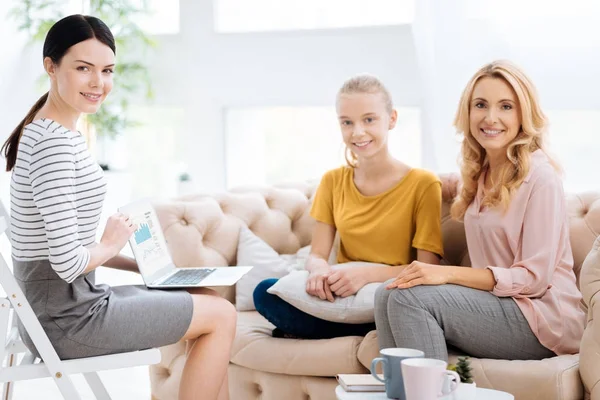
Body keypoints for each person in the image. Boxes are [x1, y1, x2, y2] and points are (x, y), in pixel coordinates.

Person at [1, 15, 235, 400]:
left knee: (210, 299)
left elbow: (67, 245)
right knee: (222, 315)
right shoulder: (53, 145)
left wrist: (144, 265)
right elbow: (67, 262)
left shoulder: (53, 132)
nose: (99, 83)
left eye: (107, 70)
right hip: (69, 321)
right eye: (83, 68)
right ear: (51, 66)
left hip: (64, 309)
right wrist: (112, 242)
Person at [374, 60, 586, 361]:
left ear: (523, 114)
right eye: (481, 105)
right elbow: (436, 181)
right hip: (496, 305)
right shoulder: (481, 174)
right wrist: (390, 179)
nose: (491, 117)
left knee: (409, 299)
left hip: (541, 319)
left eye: (506, 107)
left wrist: (446, 274)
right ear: (468, 111)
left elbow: (533, 279)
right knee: (386, 293)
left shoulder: (541, 178)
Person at [253, 74, 445, 339]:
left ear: (392, 119)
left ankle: (317, 329)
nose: (357, 132)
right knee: (265, 292)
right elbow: (318, 253)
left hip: (391, 294)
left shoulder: (423, 184)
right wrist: (319, 270)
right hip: (343, 293)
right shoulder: (333, 181)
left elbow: (427, 268)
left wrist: (365, 275)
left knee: (397, 305)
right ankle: (357, 331)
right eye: (347, 122)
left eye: (369, 119)